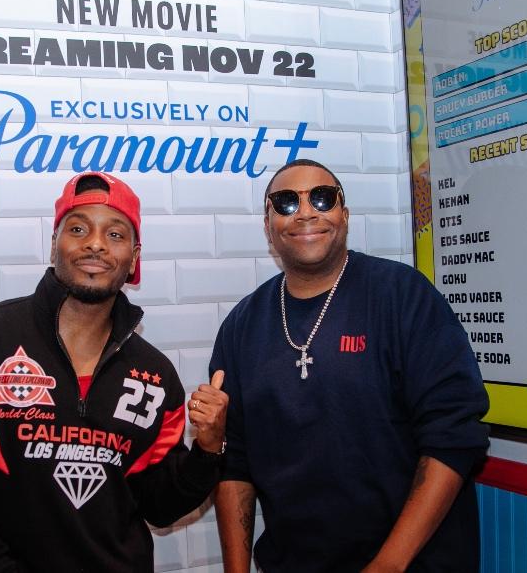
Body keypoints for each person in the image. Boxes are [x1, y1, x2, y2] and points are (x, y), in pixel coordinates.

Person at [0, 171, 228, 572]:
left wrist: (207, 449)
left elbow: (161, 507)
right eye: (78, 228)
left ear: (134, 258)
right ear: (53, 245)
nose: (95, 244)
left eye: (115, 234)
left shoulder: (154, 375)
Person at [210, 159, 490, 572]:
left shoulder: (403, 296)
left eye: (322, 198)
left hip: (415, 564)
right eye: (286, 203)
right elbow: (234, 462)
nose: (306, 212)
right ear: (267, 226)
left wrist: (387, 566)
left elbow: (454, 437)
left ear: (345, 213)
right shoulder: (241, 326)